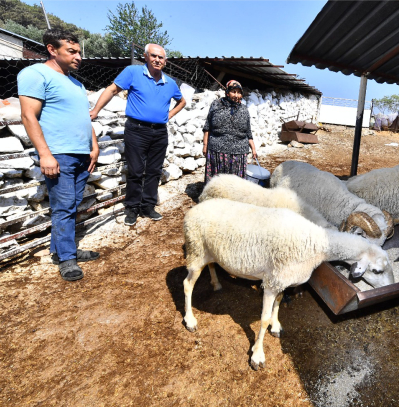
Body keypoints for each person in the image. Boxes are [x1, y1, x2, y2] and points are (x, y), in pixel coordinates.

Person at [18, 29, 100, 281]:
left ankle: (64, 250)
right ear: (52, 50)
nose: (79, 57)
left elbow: (84, 118)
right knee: (63, 207)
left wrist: (94, 145)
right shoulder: (35, 74)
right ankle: (67, 259)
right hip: (59, 153)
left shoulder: (76, 83)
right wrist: (45, 154)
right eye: (72, 52)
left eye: (79, 52)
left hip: (81, 154)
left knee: (72, 205)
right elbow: (28, 115)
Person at [89, 43, 186, 226]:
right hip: (137, 130)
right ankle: (132, 208)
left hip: (159, 132)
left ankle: (148, 206)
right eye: (154, 56)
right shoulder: (133, 72)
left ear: (165, 61)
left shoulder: (170, 83)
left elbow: (182, 101)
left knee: (154, 170)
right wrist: (96, 110)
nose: (157, 60)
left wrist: (169, 115)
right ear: (146, 57)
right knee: (135, 171)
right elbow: (112, 90)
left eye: (161, 57)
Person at [202, 80, 258, 183]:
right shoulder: (216, 105)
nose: (236, 95)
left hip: (238, 153)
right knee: (217, 183)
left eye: (239, 92)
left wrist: (253, 149)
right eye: (233, 91)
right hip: (217, 151)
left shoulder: (244, 109)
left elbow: (248, 132)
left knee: (234, 185)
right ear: (227, 92)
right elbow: (207, 126)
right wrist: (205, 145)